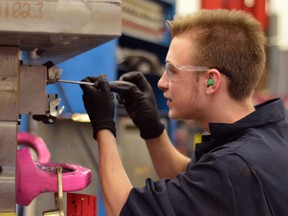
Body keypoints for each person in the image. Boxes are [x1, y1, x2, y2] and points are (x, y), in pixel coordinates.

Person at [80, 9, 288, 216]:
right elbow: (194, 183)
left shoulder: (231, 165)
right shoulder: (270, 135)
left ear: (211, 81)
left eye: (172, 71)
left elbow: (124, 210)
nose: (161, 83)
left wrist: (104, 126)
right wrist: (151, 127)